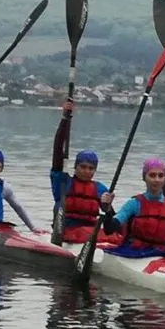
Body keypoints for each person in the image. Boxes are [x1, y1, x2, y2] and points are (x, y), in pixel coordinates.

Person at [48, 100, 117, 243]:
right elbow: (57, 150)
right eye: (83, 167)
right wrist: (65, 119)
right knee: (88, 233)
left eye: (91, 168)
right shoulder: (63, 182)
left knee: (114, 235)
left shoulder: (99, 189)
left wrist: (108, 207)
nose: (87, 171)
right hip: (65, 233)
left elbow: (111, 222)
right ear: (75, 167)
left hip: (89, 235)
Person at [102, 158, 165, 257]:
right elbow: (109, 229)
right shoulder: (134, 203)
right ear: (144, 178)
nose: (157, 180)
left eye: (161, 176)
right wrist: (107, 210)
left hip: (160, 252)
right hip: (134, 251)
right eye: (152, 175)